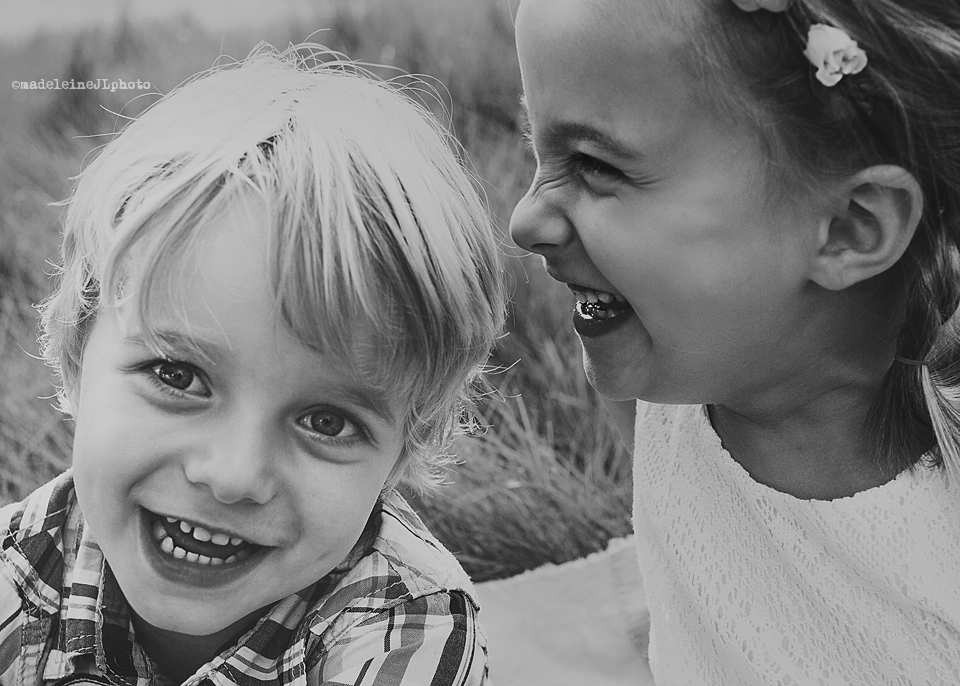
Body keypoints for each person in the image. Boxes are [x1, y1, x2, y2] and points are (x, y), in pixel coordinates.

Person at [0, 45, 504, 685]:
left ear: (405, 451)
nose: (234, 475)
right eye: (177, 377)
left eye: (326, 421)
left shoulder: (407, 628)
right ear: (75, 355)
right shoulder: (17, 575)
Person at [510, 0, 960, 683]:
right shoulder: (663, 387)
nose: (525, 219)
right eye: (534, 149)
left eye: (596, 165)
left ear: (848, 227)